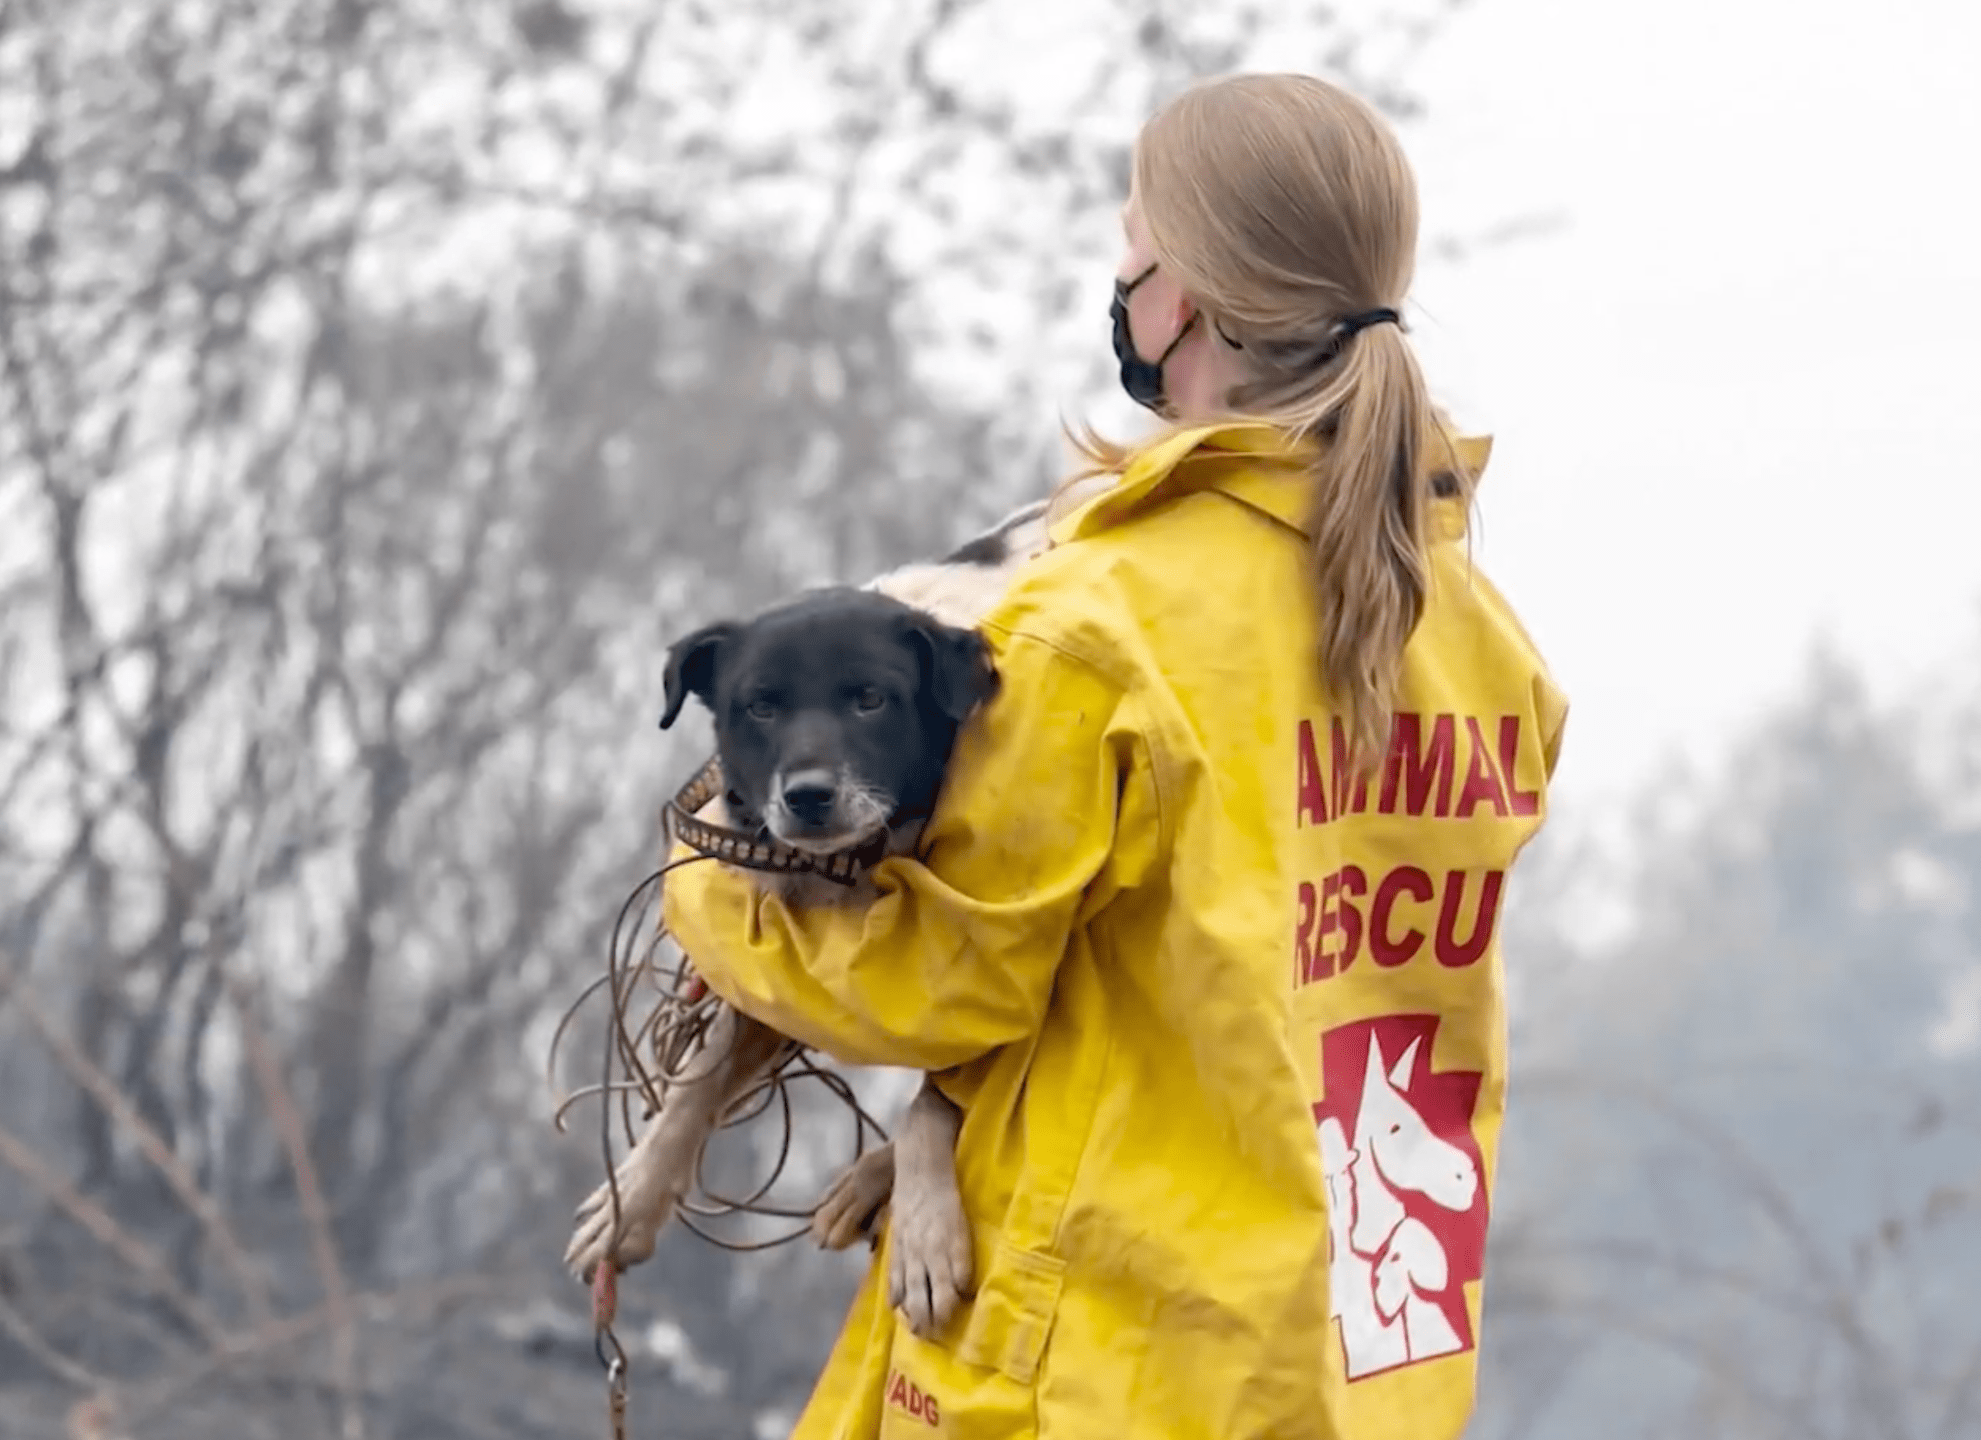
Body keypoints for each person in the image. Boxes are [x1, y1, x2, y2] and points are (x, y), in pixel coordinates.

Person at [662, 71, 1566, 1440]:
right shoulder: (1481, 637)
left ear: (1186, 295)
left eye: (1133, 237)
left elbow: (928, 988)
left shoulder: (1099, 625)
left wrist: (712, 868)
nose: (1120, 267)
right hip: (1358, 1367)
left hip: (1095, 1368)